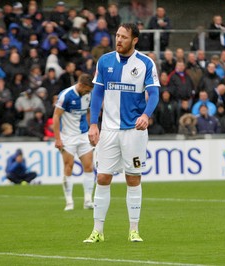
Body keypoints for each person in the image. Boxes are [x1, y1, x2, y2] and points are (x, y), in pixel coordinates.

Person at [84, 23, 159, 243]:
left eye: (124, 37)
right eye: (117, 35)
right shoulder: (105, 61)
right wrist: (93, 124)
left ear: (134, 40)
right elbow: (97, 94)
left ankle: (133, 230)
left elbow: (154, 94)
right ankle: (97, 231)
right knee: (103, 177)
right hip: (108, 130)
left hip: (133, 132)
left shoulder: (145, 63)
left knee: (133, 178)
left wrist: (146, 115)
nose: (118, 40)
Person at [53, 74, 95, 211]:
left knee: (89, 166)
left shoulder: (88, 95)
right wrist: (58, 138)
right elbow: (56, 116)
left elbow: (88, 113)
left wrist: (91, 130)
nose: (89, 92)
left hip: (83, 135)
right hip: (67, 137)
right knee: (68, 167)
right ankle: (69, 202)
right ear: (81, 85)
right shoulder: (66, 95)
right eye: (87, 89)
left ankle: (88, 200)